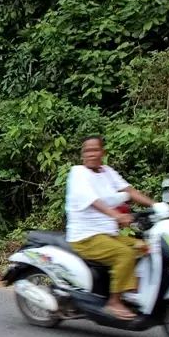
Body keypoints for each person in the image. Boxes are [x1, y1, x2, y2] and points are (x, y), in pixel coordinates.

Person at [65, 136, 155, 320]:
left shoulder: (107, 172)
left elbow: (129, 191)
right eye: (87, 151)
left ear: (102, 152)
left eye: (94, 150)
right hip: (86, 237)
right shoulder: (78, 173)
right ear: (82, 155)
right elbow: (93, 201)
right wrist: (117, 215)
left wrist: (156, 206)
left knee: (144, 247)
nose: (91, 154)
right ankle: (114, 301)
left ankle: (131, 290)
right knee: (124, 254)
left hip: (107, 235)